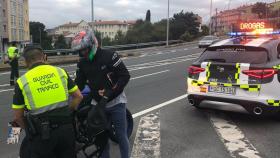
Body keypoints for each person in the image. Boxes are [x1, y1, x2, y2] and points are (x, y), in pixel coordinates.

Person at [11, 45, 83, 158]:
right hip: (66, 130)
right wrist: (66, 113)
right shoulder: (60, 72)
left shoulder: (22, 81)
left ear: (25, 62)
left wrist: (30, 131)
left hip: (42, 135)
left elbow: (18, 117)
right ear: (45, 57)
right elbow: (78, 97)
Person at [72, 30, 131, 158]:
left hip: (116, 102)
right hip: (98, 105)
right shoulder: (82, 63)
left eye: (84, 50)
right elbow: (79, 85)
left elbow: (125, 76)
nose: (82, 54)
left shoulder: (110, 55)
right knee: (101, 141)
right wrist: (67, 89)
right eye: (79, 51)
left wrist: (110, 92)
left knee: (121, 136)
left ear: (92, 45)